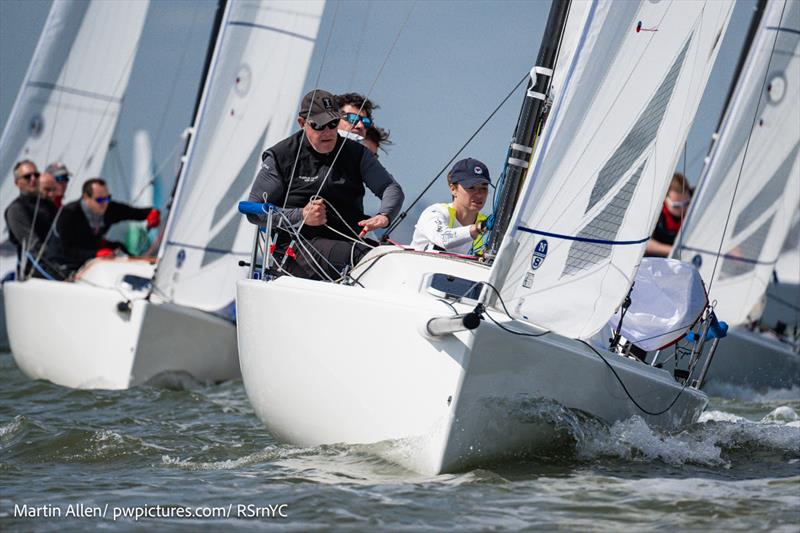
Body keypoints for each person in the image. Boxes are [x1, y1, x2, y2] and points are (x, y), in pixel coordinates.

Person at [247, 89, 404, 280]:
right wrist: (301, 215)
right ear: (303, 123)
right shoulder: (281, 156)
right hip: (297, 248)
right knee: (367, 257)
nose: (328, 132)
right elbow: (254, 209)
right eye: (319, 125)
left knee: (394, 258)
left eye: (333, 123)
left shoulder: (356, 153)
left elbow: (390, 188)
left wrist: (384, 215)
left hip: (348, 242)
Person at [54, 178, 160, 272]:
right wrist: (95, 254)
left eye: (107, 198)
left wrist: (151, 213)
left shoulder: (108, 208)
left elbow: (133, 212)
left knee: (119, 247)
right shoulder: (69, 214)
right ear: (86, 197)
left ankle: (141, 268)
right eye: (100, 200)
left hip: (95, 251)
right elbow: (66, 250)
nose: (105, 203)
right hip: (68, 261)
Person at [410, 158, 490, 256]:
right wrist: (477, 228)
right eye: (471, 187)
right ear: (453, 189)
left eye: (484, 188)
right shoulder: (435, 213)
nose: (479, 194)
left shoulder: (488, 224)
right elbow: (443, 238)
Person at [3, 160, 59, 277]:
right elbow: (33, 248)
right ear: (17, 183)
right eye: (27, 176)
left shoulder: (48, 205)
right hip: (35, 277)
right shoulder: (16, 209)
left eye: (36, 175)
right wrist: (61, 274)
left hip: (59, 269)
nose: (33, 179)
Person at [646, 172, 692, 257]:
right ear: (665, 199)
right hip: (657, 259)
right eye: (676, 206)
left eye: (686, 203)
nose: (682, 210)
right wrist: (673, 250)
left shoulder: (696, 202)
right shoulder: (655, 211)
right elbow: (645, 243)